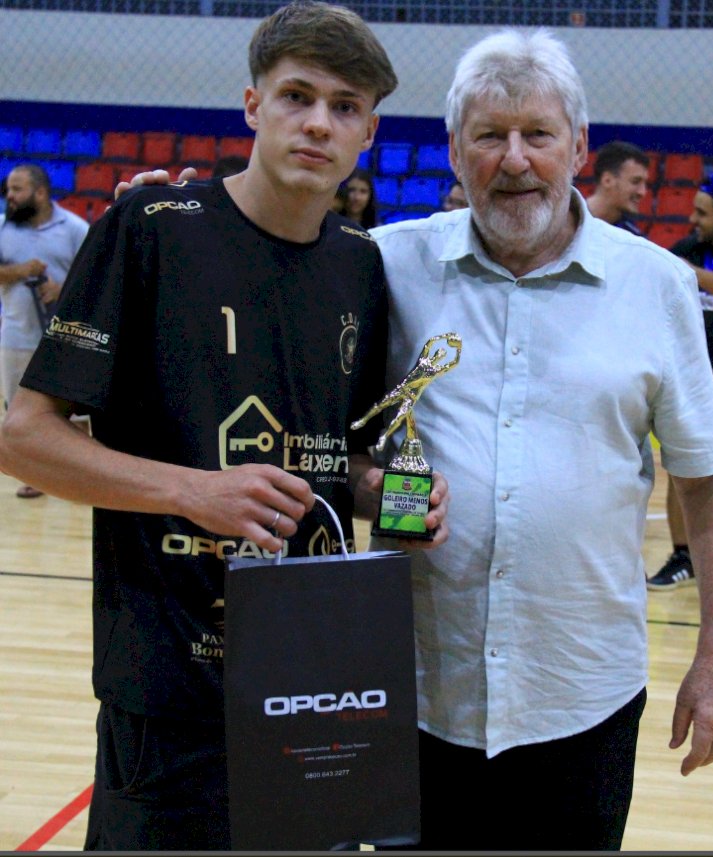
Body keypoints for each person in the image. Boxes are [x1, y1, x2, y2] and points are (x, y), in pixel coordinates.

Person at [0, 3, 448, 850]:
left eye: (345, 107)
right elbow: (22, 438)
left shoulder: (361, 265)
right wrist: (193, 490)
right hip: (166, 684)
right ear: (253, 105)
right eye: (297, 96)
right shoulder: (148, 229)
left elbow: (345, 459)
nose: (318, 123)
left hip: (312, 682)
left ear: (369, 133)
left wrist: (400, 499)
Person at [366, 28, 713, 851]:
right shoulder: (386, 266)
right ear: (453, 150)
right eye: (488, 136)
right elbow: (336, 435)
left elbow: (710, 483)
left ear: (577, 147)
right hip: (414, 693)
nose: (515, 160)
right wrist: (168, 216)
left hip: (583, 695)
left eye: (537, 134)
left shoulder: (656, 284)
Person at [648, 171, 713, 592]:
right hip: (693, 375)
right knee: (682, 463)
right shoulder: (690, 249)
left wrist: (689, 274)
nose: (692, 219)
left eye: (702, 213)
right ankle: (683, 556)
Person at [0, 164, 89, 498]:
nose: (10, 196)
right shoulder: (3, 227)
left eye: (17, 189)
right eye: (9, 189)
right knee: (18, 414)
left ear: (39, 192)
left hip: (65, 340)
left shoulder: (75, 229)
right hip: (15, 337)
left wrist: (61, 289)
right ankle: (35, 477)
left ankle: (80, 476)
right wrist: (20, 270)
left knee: (71, 415)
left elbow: (95, 280)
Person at [585, 139, 650, 234]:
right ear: (607, 180)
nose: (642, 192)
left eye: (645, 184)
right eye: (635, 182)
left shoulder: (631, 238)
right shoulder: (566, 222)